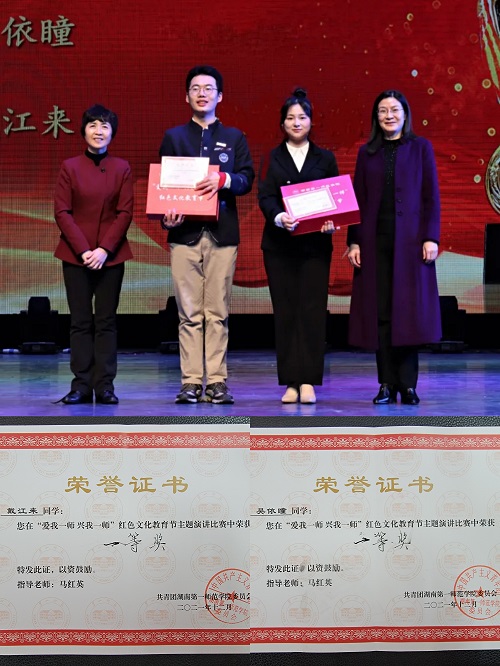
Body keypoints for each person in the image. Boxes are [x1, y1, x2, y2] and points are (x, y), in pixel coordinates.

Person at [159, 65, 254, 405]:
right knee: (188, 314)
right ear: (186, 96)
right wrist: (167, 217)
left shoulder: (235, 137)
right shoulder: (174, 137)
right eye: (196, 88)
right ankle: (190, 381)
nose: (202, 93)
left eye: (209, 88)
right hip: (184, 235)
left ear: (220, 96)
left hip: (221, 235)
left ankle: (216, 381)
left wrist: (224, 179)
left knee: (217, 312)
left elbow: (246, 179)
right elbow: (164, 187)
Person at [347, 90, 441, 405]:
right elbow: (358, 200)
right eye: (383, 111)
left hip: (412, 244)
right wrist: (354, 241)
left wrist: (431, 237)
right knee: (382, 313)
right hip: (376, 243)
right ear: (376, 117)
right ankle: (386, 383)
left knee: (408, 312)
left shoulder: (420, 148)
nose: (389, 115)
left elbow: (431, 196)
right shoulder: (367, 153)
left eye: (395, 110)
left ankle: (408, 385)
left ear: (405, 114)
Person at [258, 88, 338, 404]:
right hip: (279, 246)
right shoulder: (271, 157)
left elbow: (336, 199)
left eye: (302, 117)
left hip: (315, 247)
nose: (296, 122)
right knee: (286, 312)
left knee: (313, 312)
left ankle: (309, 381)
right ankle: (291, 382)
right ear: (282, 123)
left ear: (311, 122)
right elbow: (265, 196)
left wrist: (332, 222)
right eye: (290, 118)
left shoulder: (325, 158)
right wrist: (279, 217)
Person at [54, 104, 133, 405]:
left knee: (106, 321)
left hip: (111, 257)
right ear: (83, 130)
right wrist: (85, 250)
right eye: (93, 125)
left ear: (112, 133)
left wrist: (103, 250)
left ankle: (105, 386)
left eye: (105, 126)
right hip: (76, 256)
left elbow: (125, 213)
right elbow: (62, 212)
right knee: (80, 321)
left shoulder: (121, 168)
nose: (98, 131)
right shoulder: (70, 167)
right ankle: (81, 386)